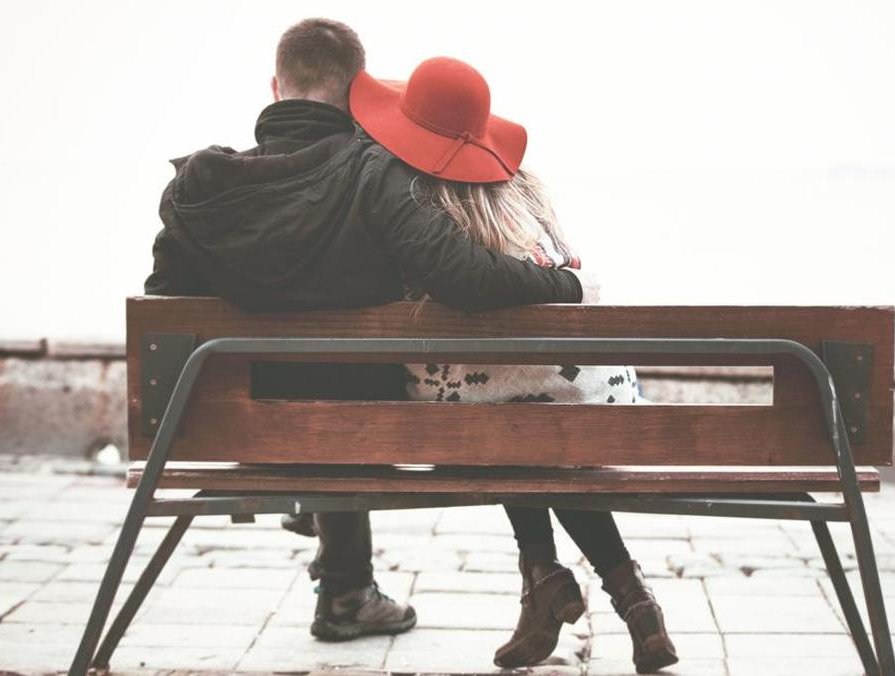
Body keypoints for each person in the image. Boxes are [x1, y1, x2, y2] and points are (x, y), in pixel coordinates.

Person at [144, 19, 595, 643]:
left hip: (239, 431)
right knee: (338, 392)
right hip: (361, 433)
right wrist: (567, 286)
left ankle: (347, 589)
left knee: (309, 390)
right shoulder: (373, 173)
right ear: (360, 90)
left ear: (276, 86)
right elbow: (465, 277)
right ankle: (347, 589)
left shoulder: (199, 187)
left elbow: (165, 304)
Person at [348, 57, 679, 673]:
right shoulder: (524, 189)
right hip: (594, 397)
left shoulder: (418, 202)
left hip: (486, 411)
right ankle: (629, 597)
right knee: (529, 425)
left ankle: (546, 577)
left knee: (501, 422)